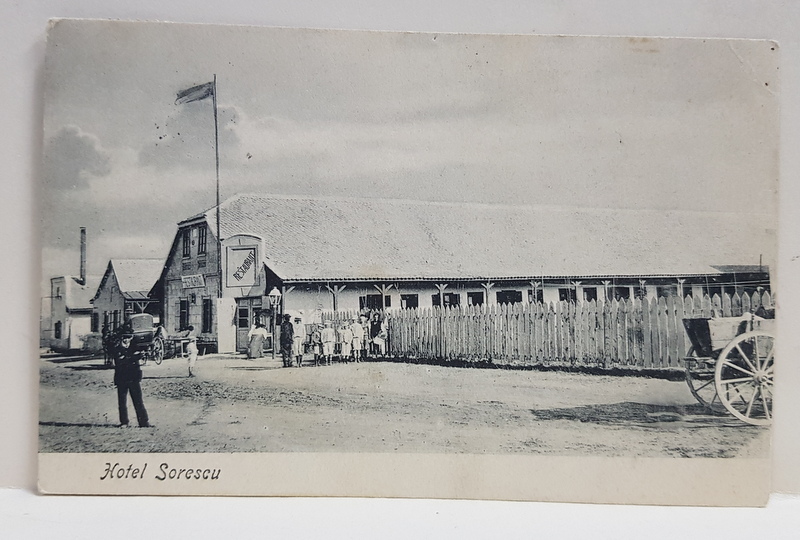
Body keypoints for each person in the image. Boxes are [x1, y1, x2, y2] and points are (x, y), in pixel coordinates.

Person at [111, 334, 151, 428]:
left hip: (133, 378)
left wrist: (135, 356)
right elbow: (121, 361)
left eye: (128, 337)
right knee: (122, 402)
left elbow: (132, 358)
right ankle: (124, 422)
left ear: (131, 338)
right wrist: (135, 357)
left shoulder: (135, 347)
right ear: (122, 338)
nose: (126, 340)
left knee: (138, 401)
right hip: (122, 378)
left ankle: (144, 422)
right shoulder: (117, 349)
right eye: (124, 337)